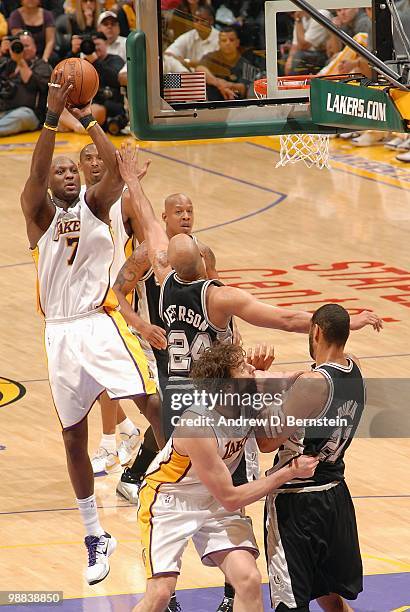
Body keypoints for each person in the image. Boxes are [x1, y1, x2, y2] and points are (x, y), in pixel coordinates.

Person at [20, 73, 161, 585]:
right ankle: (94, 533)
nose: (67, 176)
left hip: (100, 322)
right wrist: (51, 120)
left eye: (72, 171)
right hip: (59, 335)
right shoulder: (36, 215)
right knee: (72, 438)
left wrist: (87, 118)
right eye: (60, 172)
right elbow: (36, 174)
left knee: (151, 402)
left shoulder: (97, 206)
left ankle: (170, 487)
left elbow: (115, 176)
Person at [133, 340, 320, 612]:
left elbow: (300, 378)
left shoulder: (245, 395)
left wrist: (326, 374)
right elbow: (232, 498)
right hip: (169, 501)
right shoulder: (197, 427)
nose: (251, 370)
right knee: (160, 594)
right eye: (243, 368)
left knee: (248, 579)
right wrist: (289, 471)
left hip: (213, 499)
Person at [112, 192, 223, 501]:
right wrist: (142, 325)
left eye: (189, 210)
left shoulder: (202, 253)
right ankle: (160, 480)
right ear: (164, 217)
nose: (185, 216)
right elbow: (117, 293)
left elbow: (219, 295)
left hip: (191, 346)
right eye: (178, 211)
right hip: (153, 345)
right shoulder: (148, 253)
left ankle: (137, 474)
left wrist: (229, 338)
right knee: (166, 415)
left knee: (186, 415)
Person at [259, 304, 365, 611]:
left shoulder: (312, 383)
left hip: (298, 500)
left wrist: (262, 385)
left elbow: (267, 441)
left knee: (288, 604)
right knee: (330, 597)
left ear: (316, 331)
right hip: (335, 496)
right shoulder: (355, 367)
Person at [78, 142, 146, 474]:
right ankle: (128, 429)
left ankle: (107, 444)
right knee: (88, 376)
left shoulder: (124, 202)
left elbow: (148, 246)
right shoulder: (73, 203)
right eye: (87, 159)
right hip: (79, 300)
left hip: (113, 299)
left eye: (98, 157)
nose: (94, 163)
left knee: (103, 372)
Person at [59, 32, 125, 133]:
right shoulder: (79, 62)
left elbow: (116, 80)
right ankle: (77, 126)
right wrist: (72, 53)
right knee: (59, 108)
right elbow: (62, 76)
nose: (93, 48)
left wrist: (95, 60)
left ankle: (71, 125)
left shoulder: (115, 59)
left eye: (97, 44)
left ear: (106, 44)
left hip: (107, 104)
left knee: (93, 109)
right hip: (82, 104)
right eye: (90, 44)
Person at [0, 32, 51, 136]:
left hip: (29, 114)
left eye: (26, 46)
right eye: (19, 46)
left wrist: (20, 61)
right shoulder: (7, 63)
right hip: (4, 112)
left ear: (35, 48)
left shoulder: (42, 65)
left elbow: (32, 85)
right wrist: (2, 53)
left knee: (21, 116)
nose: (22, 49)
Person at [196, 26, 258, 100]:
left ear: (237, 42)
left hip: (237, 105)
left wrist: (226, 86)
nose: (228, 43)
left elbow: (244, 88)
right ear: (219, 43)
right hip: (212, 105)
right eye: (224, 40)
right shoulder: (211, 57)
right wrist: (219, 84)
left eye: (231, 40)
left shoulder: (246, 64)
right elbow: (199, 69)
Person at [164, 5, 219, 73]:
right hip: (190, 74)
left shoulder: (220, 38)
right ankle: (185, 76)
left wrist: (186, 62)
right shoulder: (189, 36)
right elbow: (168, 53)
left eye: (202, 20)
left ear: (211, 20)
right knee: (167, 60)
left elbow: (211, 65)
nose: (199, 23)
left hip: (211, 76)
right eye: (196, 20)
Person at [285, 10, 331, 76]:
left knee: (298, 57)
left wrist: (298, 20)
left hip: (322, 53)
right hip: (307, 52)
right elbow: (295, 44)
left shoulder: (321, 14)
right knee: (285, 58)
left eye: (293, 12)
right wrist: (289, 59)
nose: (293, 15)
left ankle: (299, 83)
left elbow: (304, 45)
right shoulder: (300, 17)